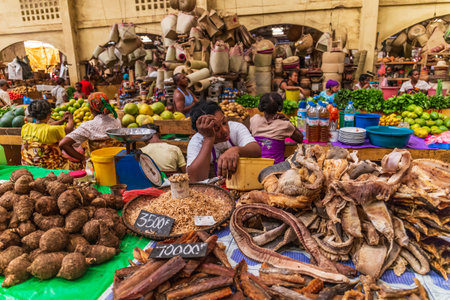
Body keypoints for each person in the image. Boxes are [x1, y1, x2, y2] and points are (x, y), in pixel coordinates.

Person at [187, 101, 261, 182]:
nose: (225, 130)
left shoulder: (236, 128)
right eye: (216, 128)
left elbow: (256, 150)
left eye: (224, 122)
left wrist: (236, 150)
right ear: (202, 131)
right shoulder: (197, 141)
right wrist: (209, 138)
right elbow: (194, 179)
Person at [59, 92, 122, 162]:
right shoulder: (117, 121)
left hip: (99, 165)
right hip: (118, 163)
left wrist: (83, 159)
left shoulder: (88, 126)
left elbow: (63, 144)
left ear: (90, 109)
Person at [250, 93, 303, 164]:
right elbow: (300, 138)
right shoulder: (285, 125)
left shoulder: (254, 119)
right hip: (275, 168)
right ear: (279, 107)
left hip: (255, 164)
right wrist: (287, 120)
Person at [21, 100, 74, 169]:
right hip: (49, 168)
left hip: (28, 166)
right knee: (78, 164)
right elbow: (68, 129)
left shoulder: (25, 127)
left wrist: (62, 120)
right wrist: (70, 118)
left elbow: (46, 125)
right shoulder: (52, 130)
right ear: (49, 114)